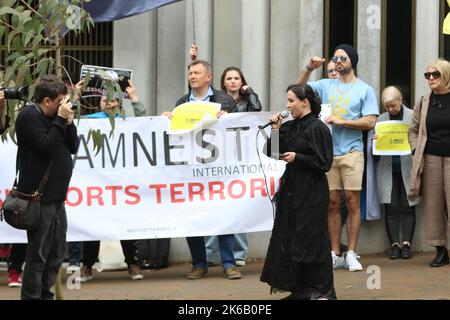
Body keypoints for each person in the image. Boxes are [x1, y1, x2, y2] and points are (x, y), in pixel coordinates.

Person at [296, 44, 379, 271]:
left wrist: (343, 121)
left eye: (343, 57)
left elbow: (371, 121)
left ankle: (351, 252)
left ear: (353, 61)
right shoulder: (325, 85)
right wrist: (308, 68)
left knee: (352, 201)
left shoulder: (364, 90)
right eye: (336, 58)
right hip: (328, 152)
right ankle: (335, 252)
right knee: (332, 202)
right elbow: (298, 89)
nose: (338, 60)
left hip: (352, 150)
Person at [162, 59, 240, 280]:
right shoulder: (181, 103)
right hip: (190, 169)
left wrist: (229, 119)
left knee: (224, 214)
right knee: (193, 216)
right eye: (190, 73)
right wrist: (167, 119)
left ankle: (229, 263)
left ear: (209, 77)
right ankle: (199, 264)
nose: (192, 76)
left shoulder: (224, 101)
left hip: (218, 169)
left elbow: (236, 130)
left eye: (197, 73)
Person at [260, 83, 336, 300]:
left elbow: (324, 163)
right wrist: (275, 129)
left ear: (305, 102)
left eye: (292, 100)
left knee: (312, 238)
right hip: (292, 188)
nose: (288, 105)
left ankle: (322, 290)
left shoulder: (318, 128)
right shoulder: (291, 126)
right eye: (288, 100)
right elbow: (272, 152)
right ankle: (302, 288)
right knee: (293, 237)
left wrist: (298, 158)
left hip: (311, 191)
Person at [15, 75, 80, 299]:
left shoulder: (57, 117)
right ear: (46, 101)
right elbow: (46, 146)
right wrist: (61, 121)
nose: (65, 104)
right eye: (61, 100)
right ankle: (31, 297)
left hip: (57, 199)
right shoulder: (28, 117)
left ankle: (46, 294)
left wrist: (68, 122)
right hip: (38, 198)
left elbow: (72, 147)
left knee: (56, 254)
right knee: (38, 256)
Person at [79, 79, 145, 281]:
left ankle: (133, 264)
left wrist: (135, 99)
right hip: (97, 182)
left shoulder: (127, 121)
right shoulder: (90, 121)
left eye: (113, 100)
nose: (108, 103)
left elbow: (145, 123)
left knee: (126, 223)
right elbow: (72, 124)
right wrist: (75, 97)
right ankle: (87, 265)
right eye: (104, 99)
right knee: (92, 226)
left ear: (119, 102)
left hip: (123, 182)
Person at [205, 66, 262, 266]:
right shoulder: (215, 101)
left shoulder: (248, 101)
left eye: (236, 78)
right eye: (229, 78)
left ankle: (238, 255)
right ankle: (210, 255)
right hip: (219, 159)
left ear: (242, 81)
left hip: (241, 161)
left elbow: (257, 114)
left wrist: (251, 92)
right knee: (214, 207)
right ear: (223, 82)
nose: (233, 81)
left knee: (239, 208)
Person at [408, 59, 450, 267]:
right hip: (431, 158)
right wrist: (416, 149)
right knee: (433, 205)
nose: (431, 79)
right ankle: (440, 250)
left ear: (446, 75)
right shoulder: (425, 101)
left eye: (435, 75)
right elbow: (413, 130)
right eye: (427, 75)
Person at [373, 86, 418, 259]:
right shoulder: (380, 120)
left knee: (408, 205)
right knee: (390, 207)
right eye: (387, 107)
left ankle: (407, 244)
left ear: (401, 100)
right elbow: (373, 155)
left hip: (408, 167)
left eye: (394, 105)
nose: (391, 109)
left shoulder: (413, 116)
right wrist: (375, 143)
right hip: (387, 168)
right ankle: (394, 245)